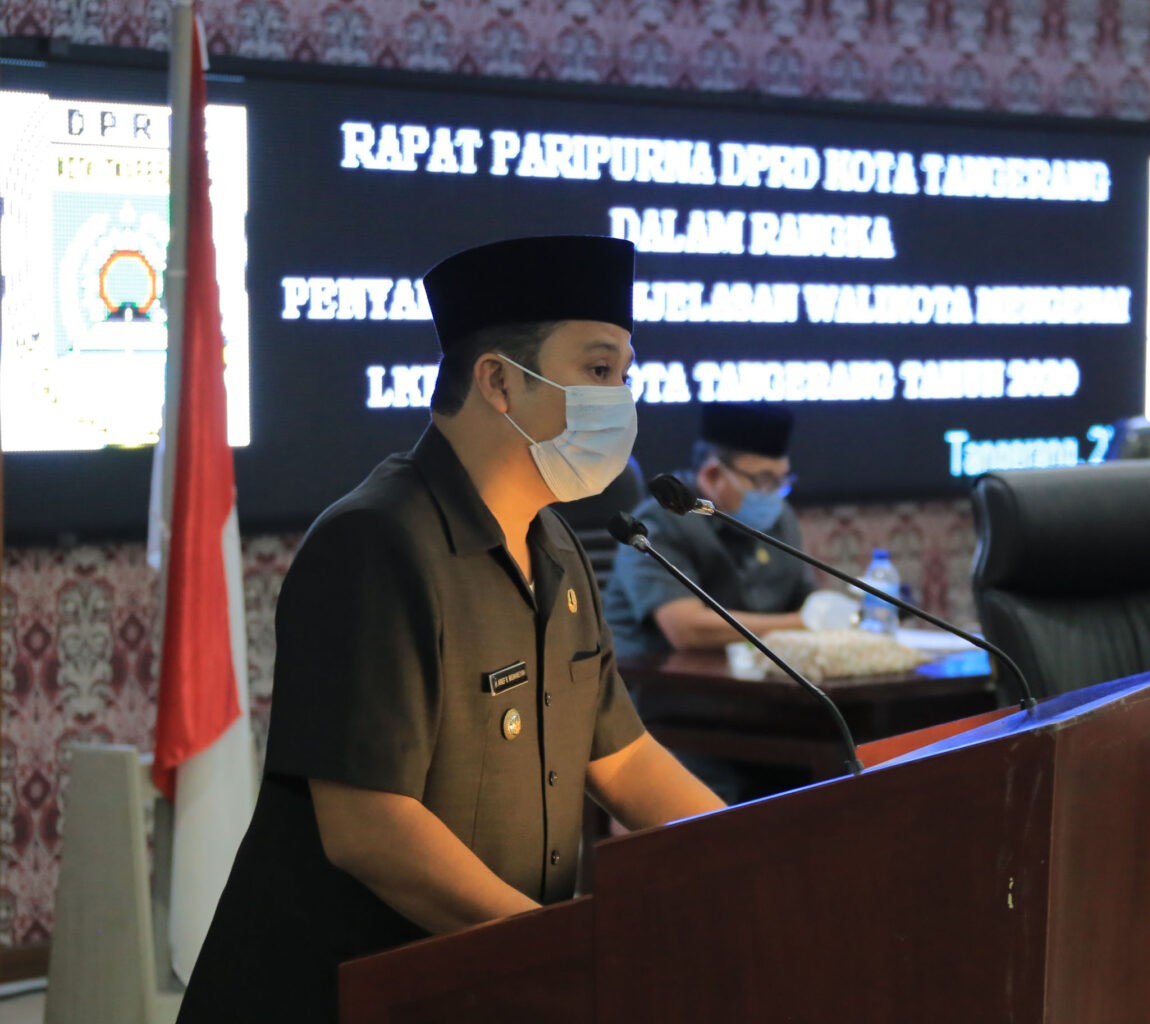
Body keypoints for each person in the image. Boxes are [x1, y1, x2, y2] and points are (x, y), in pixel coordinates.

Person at [177, 236, 724, 1024]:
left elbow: (624, 760)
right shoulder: (375, 543)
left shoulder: (556, 546)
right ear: (498, 381)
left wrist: (751, 855)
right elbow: (369, 827)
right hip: (345, 996)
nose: (621, 399)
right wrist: (561, 950)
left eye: (624, 375)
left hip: (494, 982)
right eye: (600, 370)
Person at [604, 402, 816, 658]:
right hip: (659, 675)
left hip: (752, 672)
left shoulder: (781, 518)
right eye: (764, 480)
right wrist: (804, 623)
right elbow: (685, 629)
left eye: (782, 481)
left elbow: (808, 600)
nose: (774, 494)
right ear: (713, 475)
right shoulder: (657, 523)